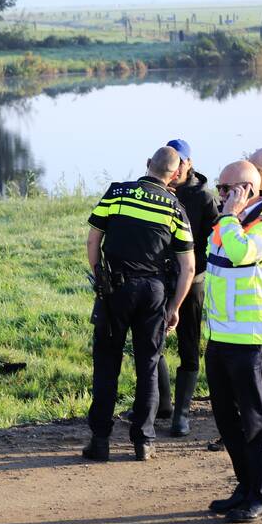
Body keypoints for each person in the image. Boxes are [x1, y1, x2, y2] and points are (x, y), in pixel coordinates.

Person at [84, 147, 195, 462]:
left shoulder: (117, 193)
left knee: (107, 365)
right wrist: (174, 306)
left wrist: (98, 278)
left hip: (115, 291)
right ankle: (143, 442)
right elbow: (188, 267)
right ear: (174, 175)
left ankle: (100, 441)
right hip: (154, 293)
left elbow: (93, 240)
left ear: (148, 165)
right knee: (148, 366)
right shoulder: (175, 208)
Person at [204, 160, 262, 522]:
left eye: (228, 189)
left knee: (255, 423)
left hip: (251, 342)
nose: (221, 195)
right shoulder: (230, 223)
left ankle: (259, 494)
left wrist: (229, 215)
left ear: (249, 191)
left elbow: (241, 254)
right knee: (226, 420)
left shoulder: (256, 227)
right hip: (220, 339)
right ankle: (244, 486)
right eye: (220, 187)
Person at [160, 139, 220, 436]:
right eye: (172, 163)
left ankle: (181, 415)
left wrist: (198, 265)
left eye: (181, 163)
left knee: (188, 344)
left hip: (191, 281)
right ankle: (161, 404)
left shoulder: (204, 198)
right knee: (152, 342)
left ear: (189, 163)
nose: (176, 169)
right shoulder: (157, 190)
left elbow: (216, 237)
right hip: (159, 280)